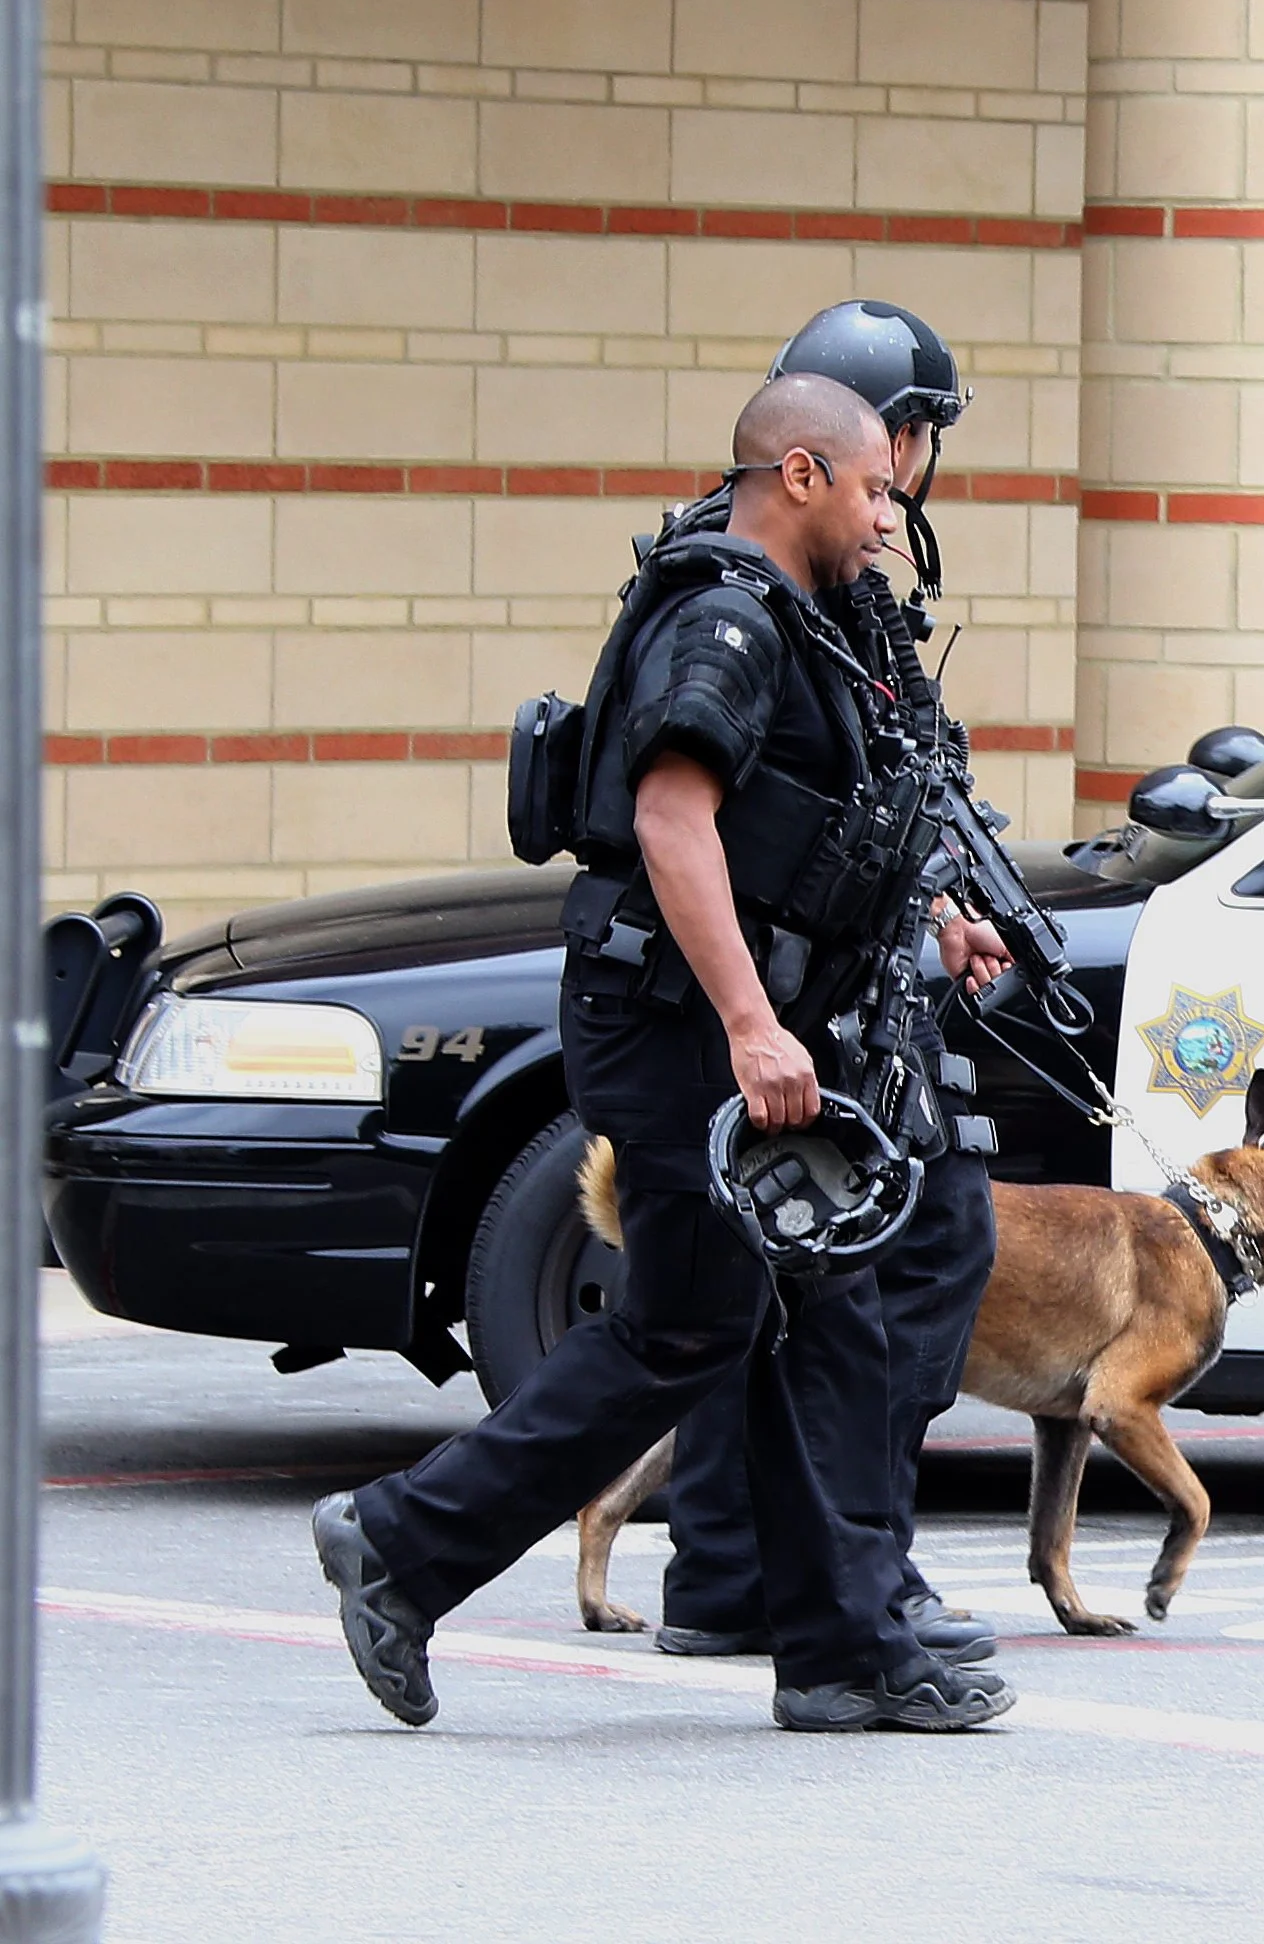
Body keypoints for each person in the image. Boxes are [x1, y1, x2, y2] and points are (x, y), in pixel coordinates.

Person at [312, 375, 1015, 1733]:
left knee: (762, 1322)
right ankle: (416, 1544)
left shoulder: (799, 622)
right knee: (747, 1318)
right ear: (801, 474)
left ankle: (829, 1650)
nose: (890, 515)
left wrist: (932, 908)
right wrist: (754, 1027)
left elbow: (810, 818)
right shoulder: (725, 619)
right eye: (875, 487)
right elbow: (676, 821)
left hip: (721, 1007)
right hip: (682, 1017)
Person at [637, 302, 1005, 1668]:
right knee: (898, 1261)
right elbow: (728, 809)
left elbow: (875, 783)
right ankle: (846, 1580)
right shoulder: (755, 594)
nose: (906, 478)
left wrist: (940, 904)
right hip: (792, 990)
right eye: (903, 443)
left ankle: (753, 1574)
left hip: (829, 972)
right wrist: (755, 1013)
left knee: (780, 1291)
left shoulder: (829, 581)